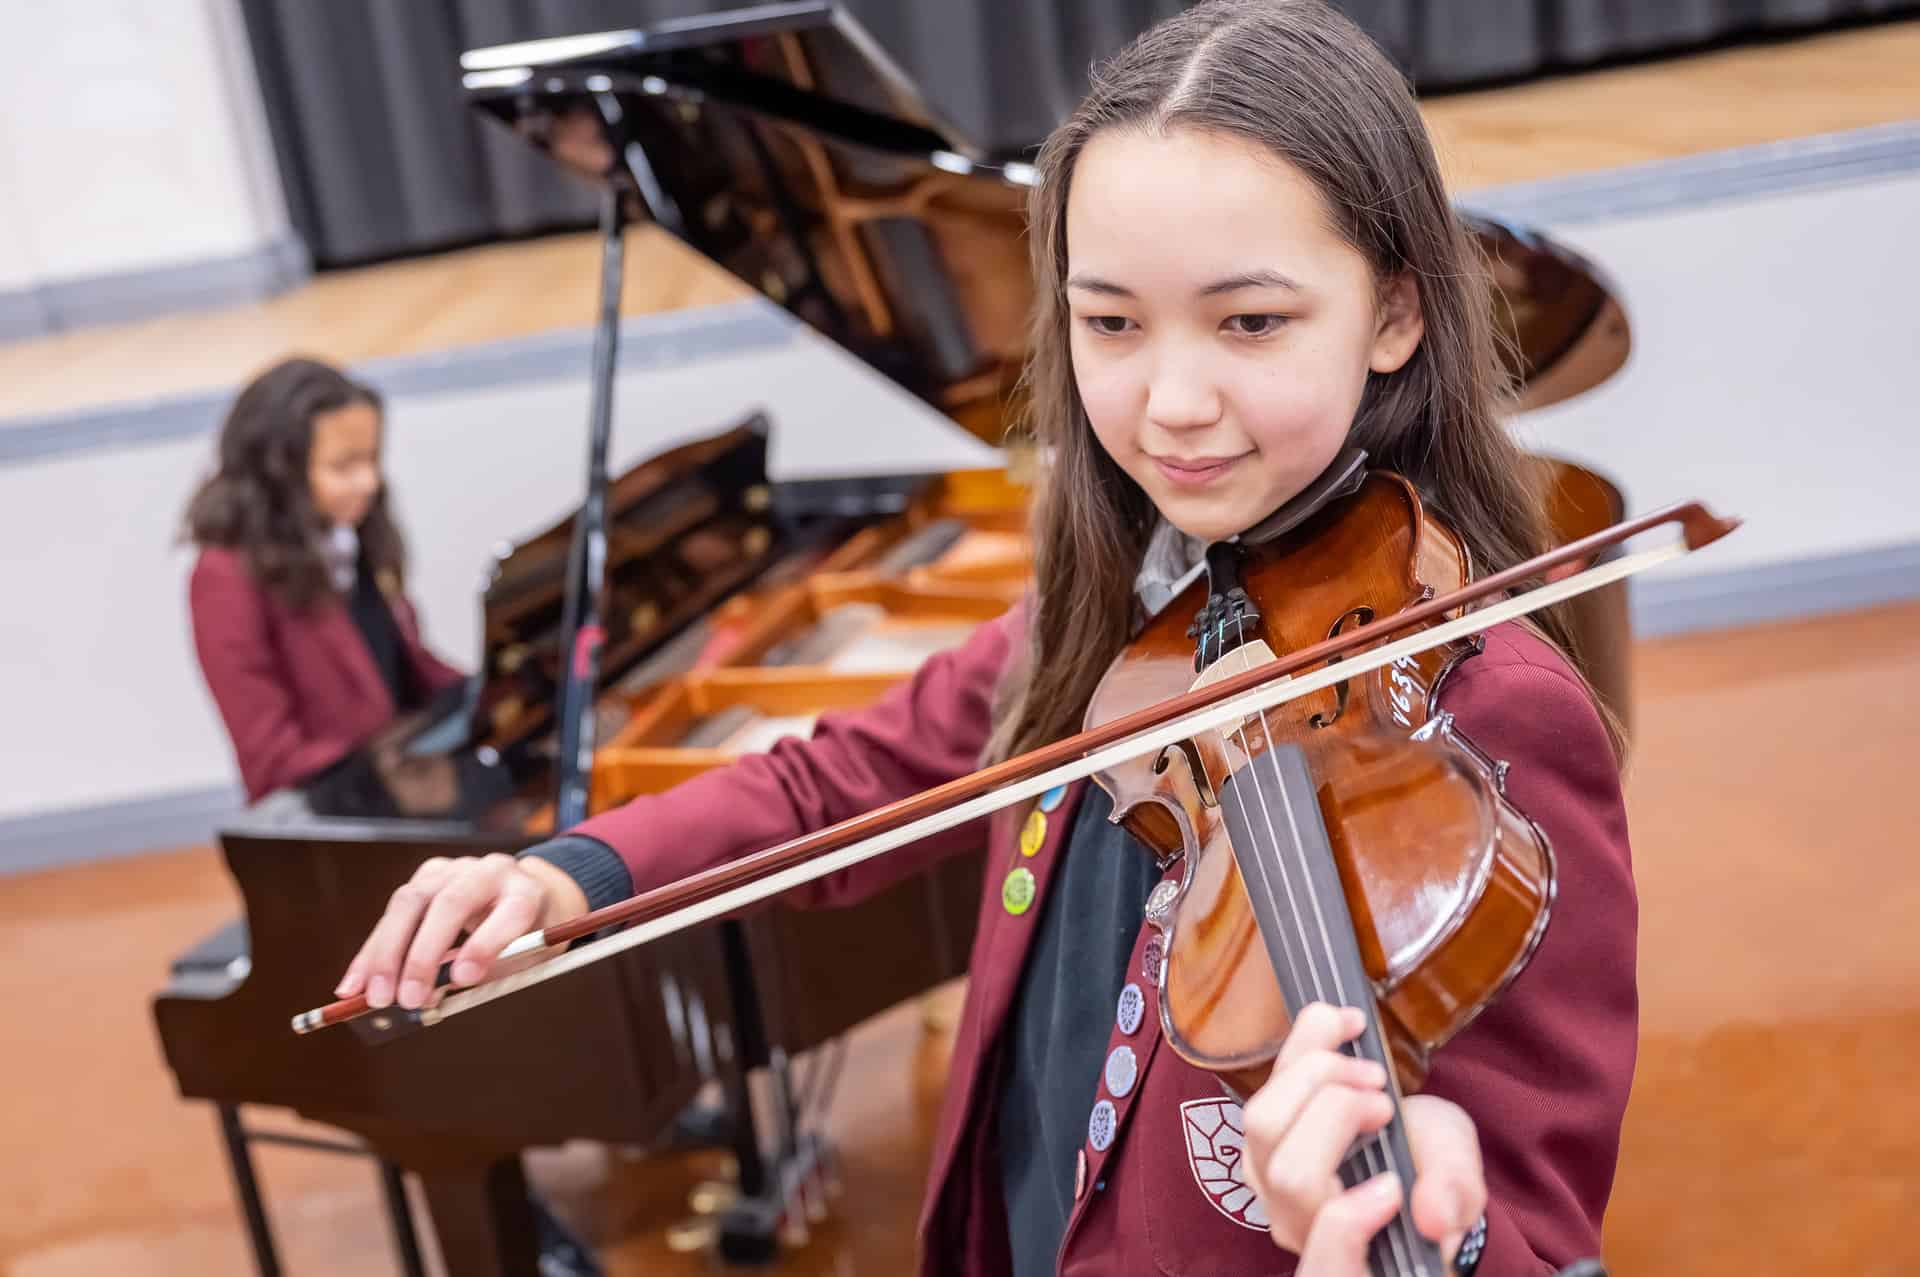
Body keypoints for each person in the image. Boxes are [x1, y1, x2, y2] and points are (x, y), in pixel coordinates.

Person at [333, 3, 1636, 1273]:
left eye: (1251, 322)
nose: (1171, 404)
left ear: (1397, 315)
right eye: (1110, 322)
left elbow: (1538, 1234)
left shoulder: (1496, 714)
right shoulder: (1111, 620)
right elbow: (834, 779)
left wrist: (1440, 1234)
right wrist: (571, 876)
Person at [184, 356, 466, 802]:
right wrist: (385, 765)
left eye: (373, 459)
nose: (369, 481)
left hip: (402, 777)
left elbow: (407, 666)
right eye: (344, 466)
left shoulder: (354, 534)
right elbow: (271, 757)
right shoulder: (224, 578)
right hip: (335, 810)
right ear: (279, 472)